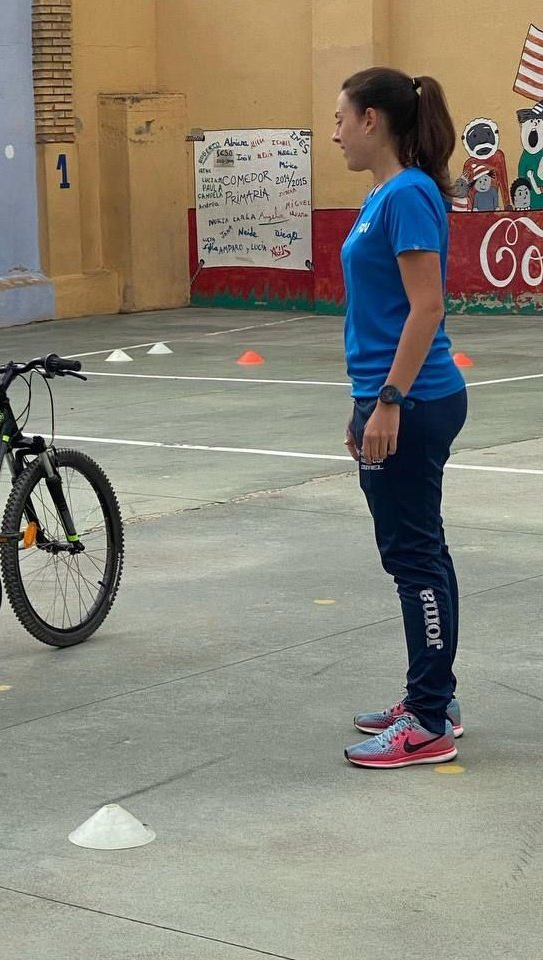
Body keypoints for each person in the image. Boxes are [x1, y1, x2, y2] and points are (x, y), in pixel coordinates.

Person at [333, 67, 468, 769]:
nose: (336, 133)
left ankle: (426, 722)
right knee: (420, 552)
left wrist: (387, 401)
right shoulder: (386, 195)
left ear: (373, 121)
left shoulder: (408, 194)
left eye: (341, 119)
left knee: (413, 558)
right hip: (391, 396)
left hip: (411, 400)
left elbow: (427, 307)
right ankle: (432, 697)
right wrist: (366, 404)